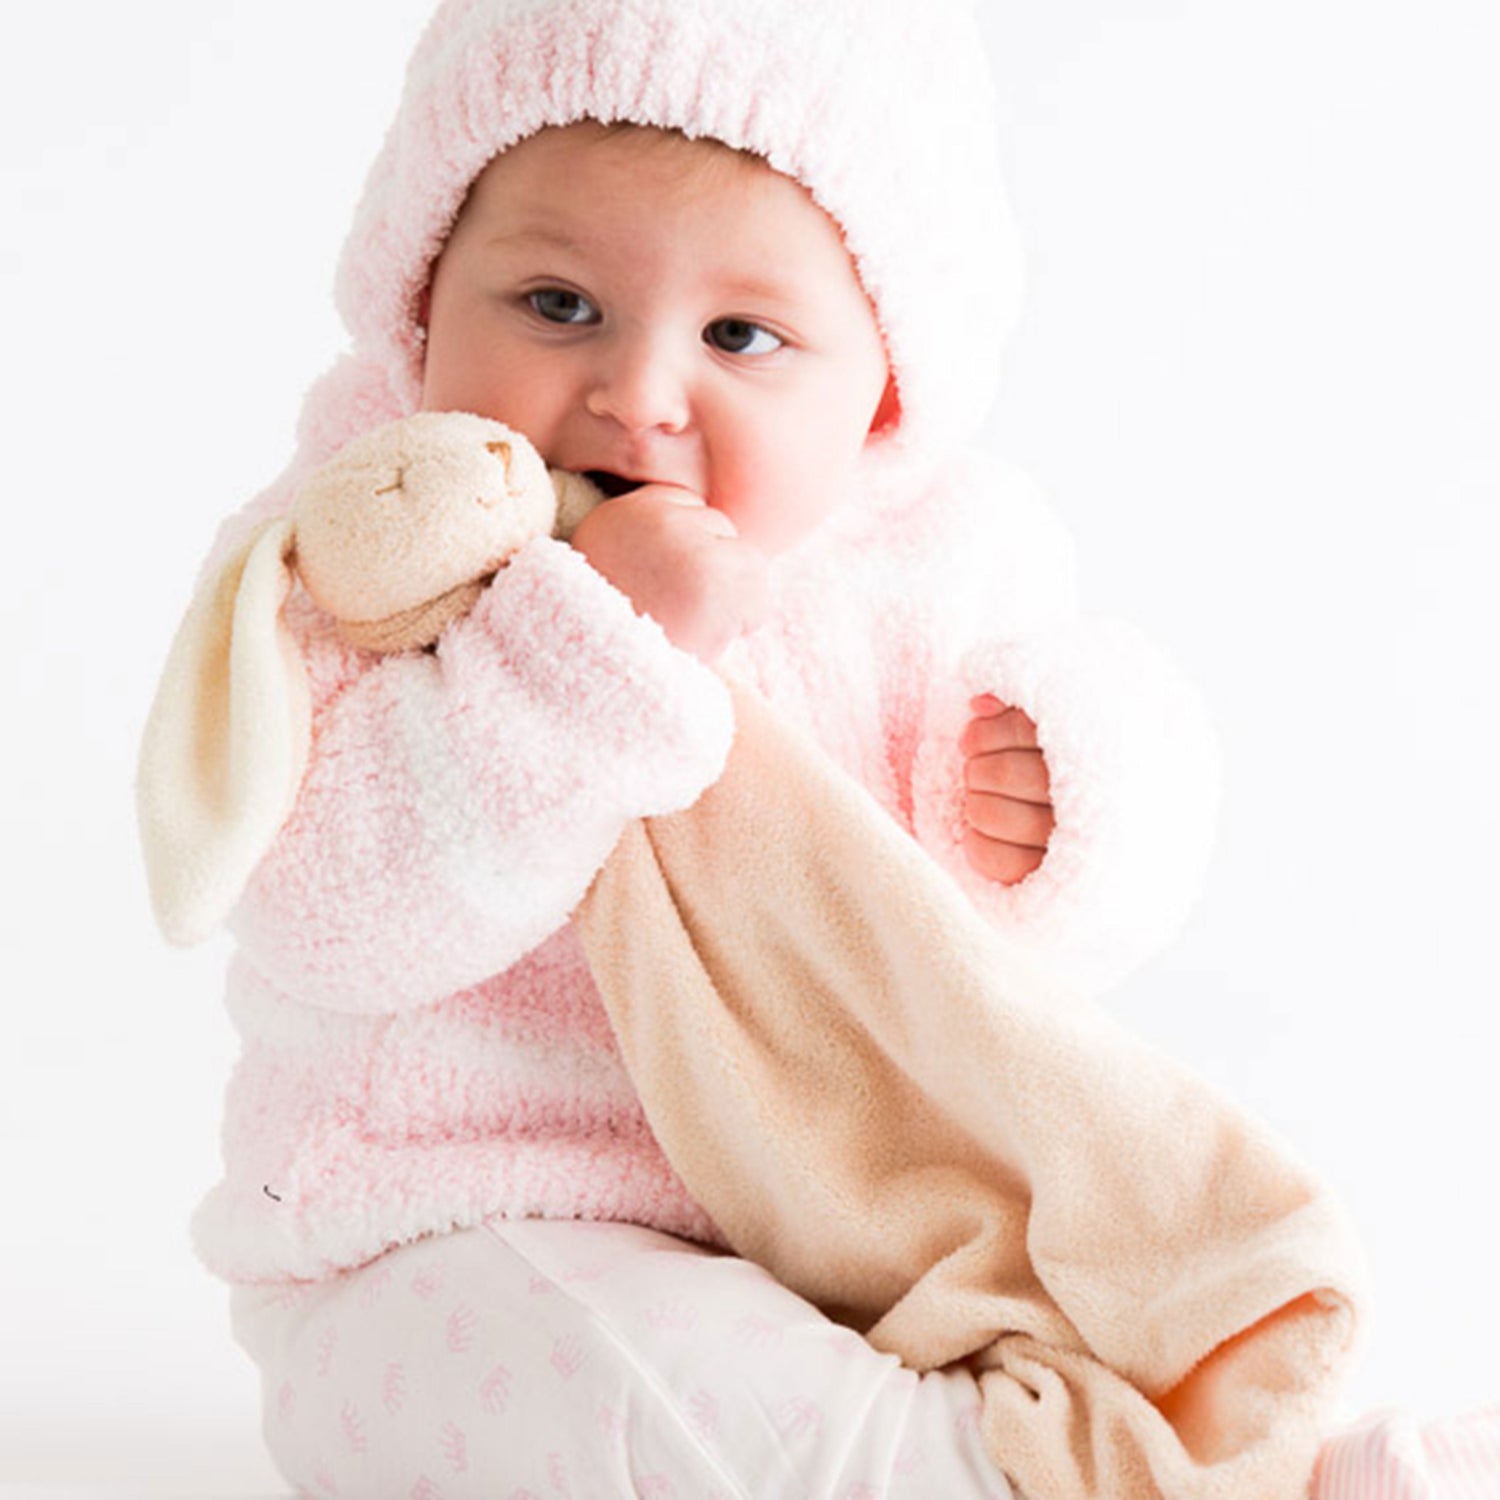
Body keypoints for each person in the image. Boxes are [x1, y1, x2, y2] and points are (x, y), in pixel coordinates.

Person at [146, 0, 1245, 1493]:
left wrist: (1077, 809)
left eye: (741, 336)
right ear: (421, 295)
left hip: (864, 1255)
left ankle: (1244, 1457)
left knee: (1157, 1297)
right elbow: (322, 907)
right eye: (557, 303)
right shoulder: (374, 543)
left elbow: (1017, 970)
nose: (638, 396)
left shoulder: (942, 560)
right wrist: (591, 651)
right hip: (455, 1242)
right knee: (645, 1391)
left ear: (887, 384)